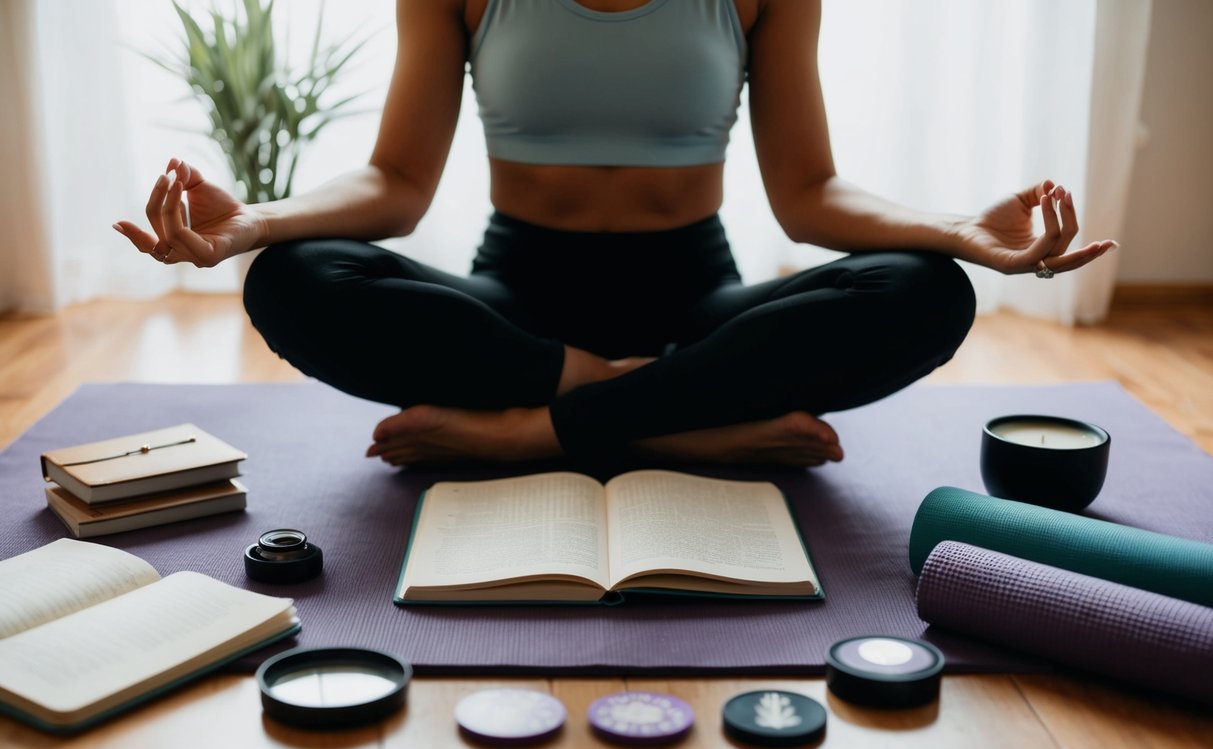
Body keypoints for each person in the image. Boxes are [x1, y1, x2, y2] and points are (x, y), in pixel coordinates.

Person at [114, 0, 1116, 471]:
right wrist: (254, 222)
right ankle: (685, 420)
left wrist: (956, 230)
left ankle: (537, 429)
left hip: (697, 299)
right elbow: (396, 183)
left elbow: (807, 195)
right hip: (516, 305)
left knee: (929, 291)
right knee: (289, 278)